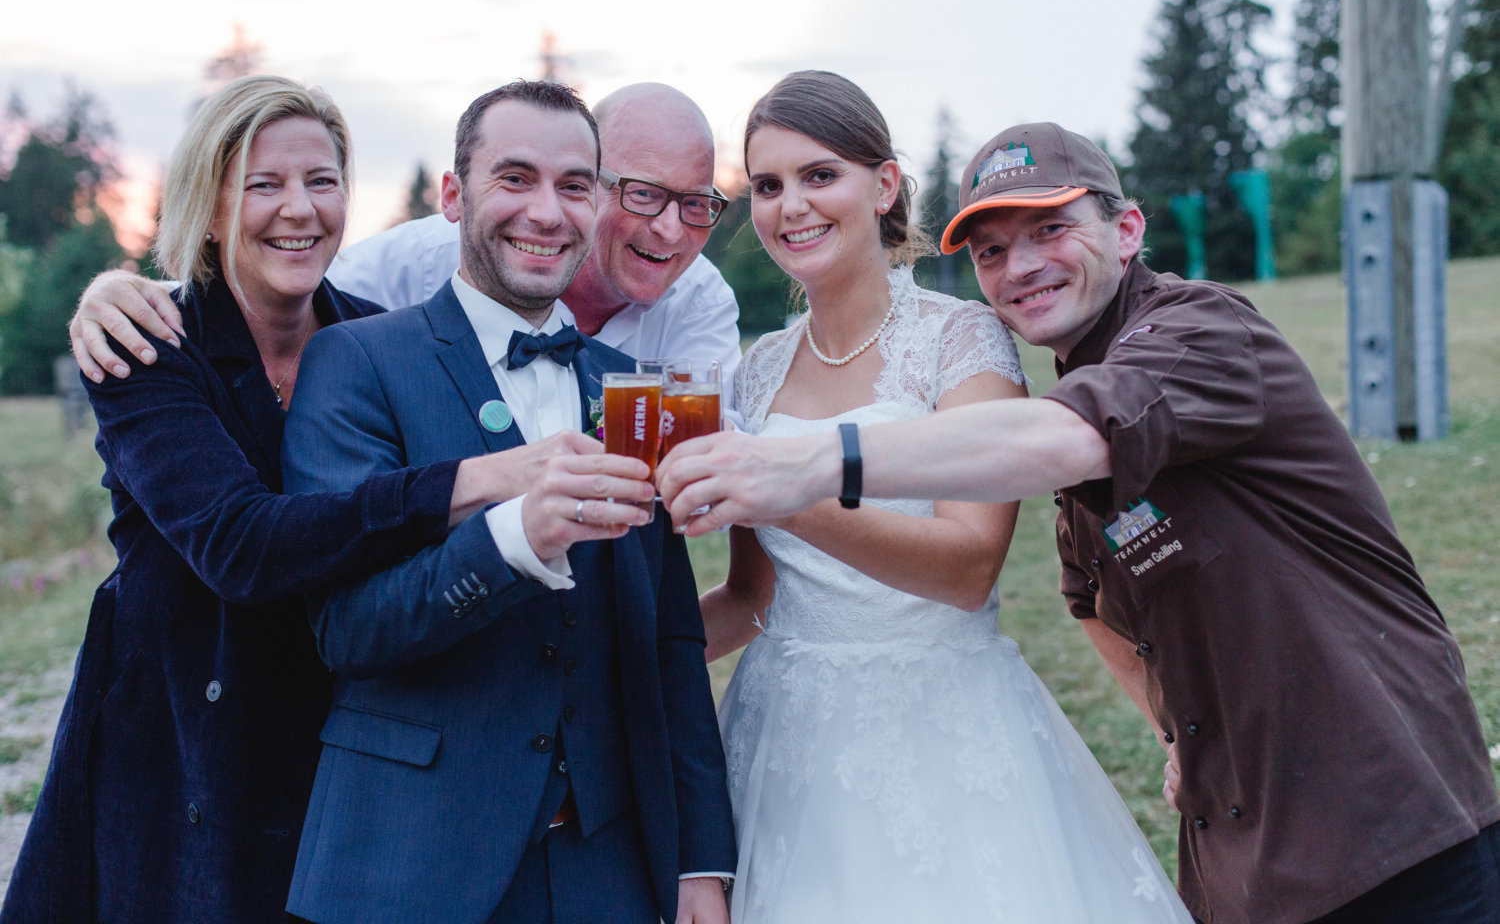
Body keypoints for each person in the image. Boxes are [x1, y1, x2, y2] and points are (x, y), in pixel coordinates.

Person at [659, 120, 1500, 924]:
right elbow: (1091, 604)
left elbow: (1066, 442)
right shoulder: (1076, 379)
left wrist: (812, 468)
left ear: (1127, 229)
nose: (1021, 266)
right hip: (1247, 854)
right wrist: (1179, 735)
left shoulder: (1200, 331)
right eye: (992, 250)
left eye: (1050, 229)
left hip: (1389, 825)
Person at [0, 75, 554, 924]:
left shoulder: (377, 342)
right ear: (211, 206)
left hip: (344, 739)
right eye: (264, 184)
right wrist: (473, 480)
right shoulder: (151, 346)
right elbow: (238, 545)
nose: (299, 208)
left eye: (321, 182)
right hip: (185, 745)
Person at [694, 71, 1190, 923]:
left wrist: (782, 489)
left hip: (937, 723)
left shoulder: (962, 339)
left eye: (820, 176)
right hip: (784, 732)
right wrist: (628, 655)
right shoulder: (757, 368)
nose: (790, 207)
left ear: (883, 185)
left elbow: (967, 567)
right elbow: (753, 595)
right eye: (768, 185)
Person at [279, 80, 735, 924]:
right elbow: (348, 630)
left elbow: (668, 636)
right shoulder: (356, 361)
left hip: (608, 871)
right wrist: (511, 541)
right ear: (454, 196)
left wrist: (700, 856)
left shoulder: (634, 391)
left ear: (598, 203)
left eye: (573, 186)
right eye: (514, 178)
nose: (547, 212)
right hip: (408, 865)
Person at [66, 83, 742, 406]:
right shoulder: (421, 263)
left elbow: (704, 467)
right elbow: (288, 283)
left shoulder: (700, 299)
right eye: (645, 194)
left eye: (697, 203)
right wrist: (138, 293)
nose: (670, 229)